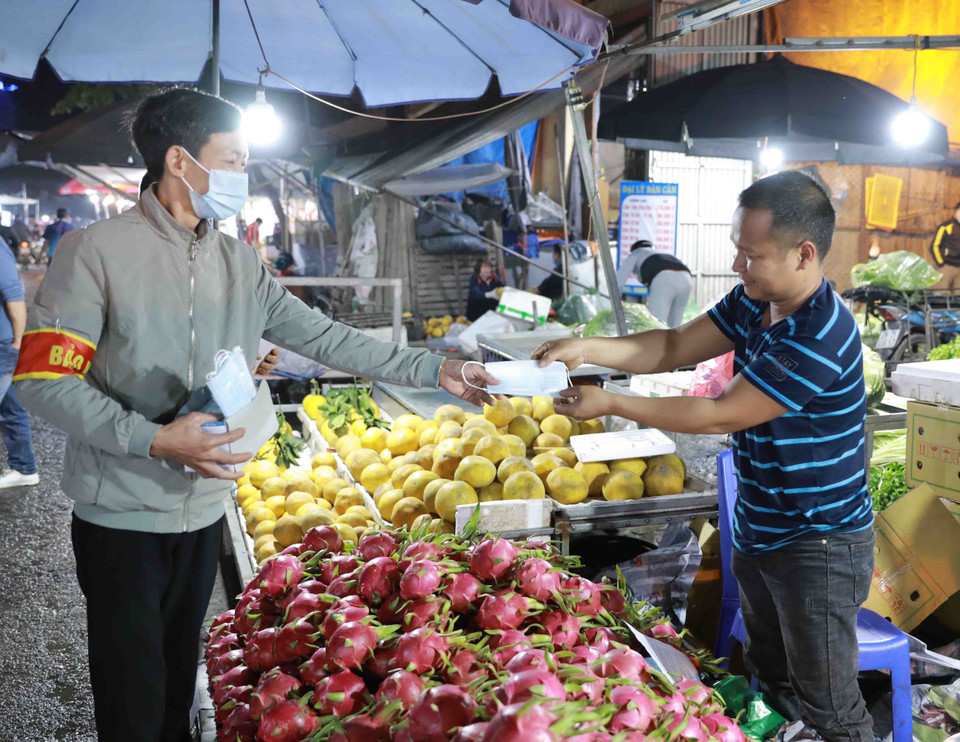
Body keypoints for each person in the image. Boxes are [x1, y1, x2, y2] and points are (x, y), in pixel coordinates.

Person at [14, 87, 496, 742]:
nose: (244, 174)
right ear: (181, 161)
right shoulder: (94, 253)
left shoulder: (239, 262)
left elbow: (327, 338)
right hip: (121, 518)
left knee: (179, 691)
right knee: (132, 702)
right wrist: (154, 440)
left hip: (206, 510)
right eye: (235, 159)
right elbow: (43, 381)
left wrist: (434, 368)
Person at [534, 171, 874, 742]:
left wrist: (612, 399)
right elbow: (672, 346)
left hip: (818, 543)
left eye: (751, 255)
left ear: (804, 254)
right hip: (762, 527)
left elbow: (721, 412)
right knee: (772, 680)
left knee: (831, 707)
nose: (739, 267)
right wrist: (585, 347)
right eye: (737, 251)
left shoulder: (819, 334)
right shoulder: (753, 302)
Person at [0, 232, 38, 489]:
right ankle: (24, 467)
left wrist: (17, 342)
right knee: (11, 407)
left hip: (2, 344)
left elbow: (13, 294)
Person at [616, 239, 693, 327]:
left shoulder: (637, 253)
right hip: (686, 279)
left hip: (664, 278)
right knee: (675, 327)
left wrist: (613, 302)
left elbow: (619, 280)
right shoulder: (664, 254)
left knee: (655, 323)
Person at [930, 200, 960, 290]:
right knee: (939, 294)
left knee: (957, 298)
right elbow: (934, 246)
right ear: (957, 211)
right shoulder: (946, 226)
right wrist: (941, 263)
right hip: (947, 266)